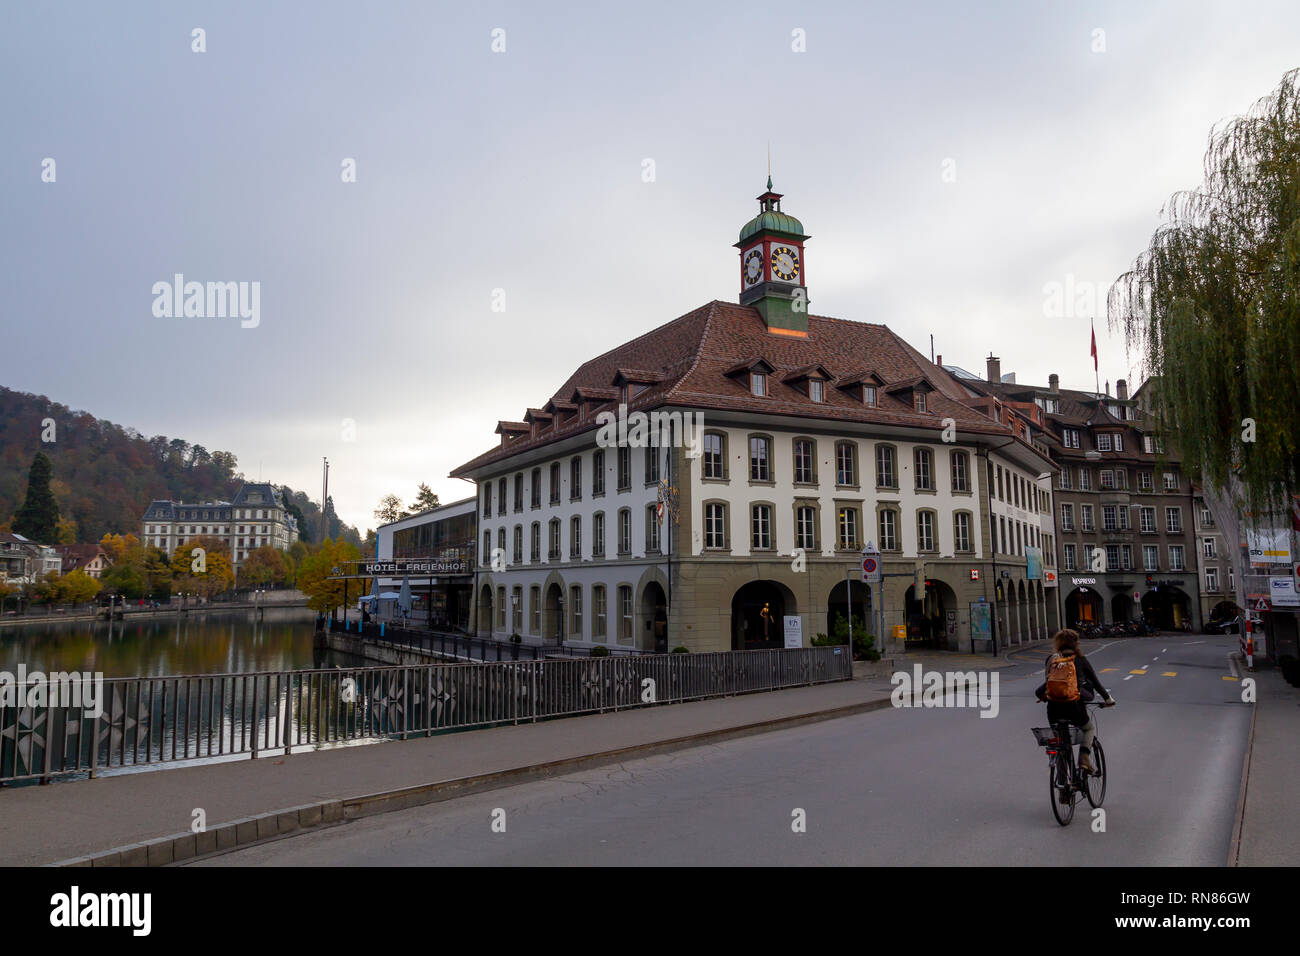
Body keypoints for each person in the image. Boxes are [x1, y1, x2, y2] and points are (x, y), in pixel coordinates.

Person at [1035, 628, 1115, 774]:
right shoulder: (1081, 660)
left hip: (1053, 709)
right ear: (1076, 644)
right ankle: (1084, 758)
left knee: (1059, 740)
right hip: (1074, 706)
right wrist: (1108, 699)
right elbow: (1096, 683)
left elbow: (1047, 685)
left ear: (1058, 643)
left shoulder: (1052, 660)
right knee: (1088, 728)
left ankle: (1062, 784)